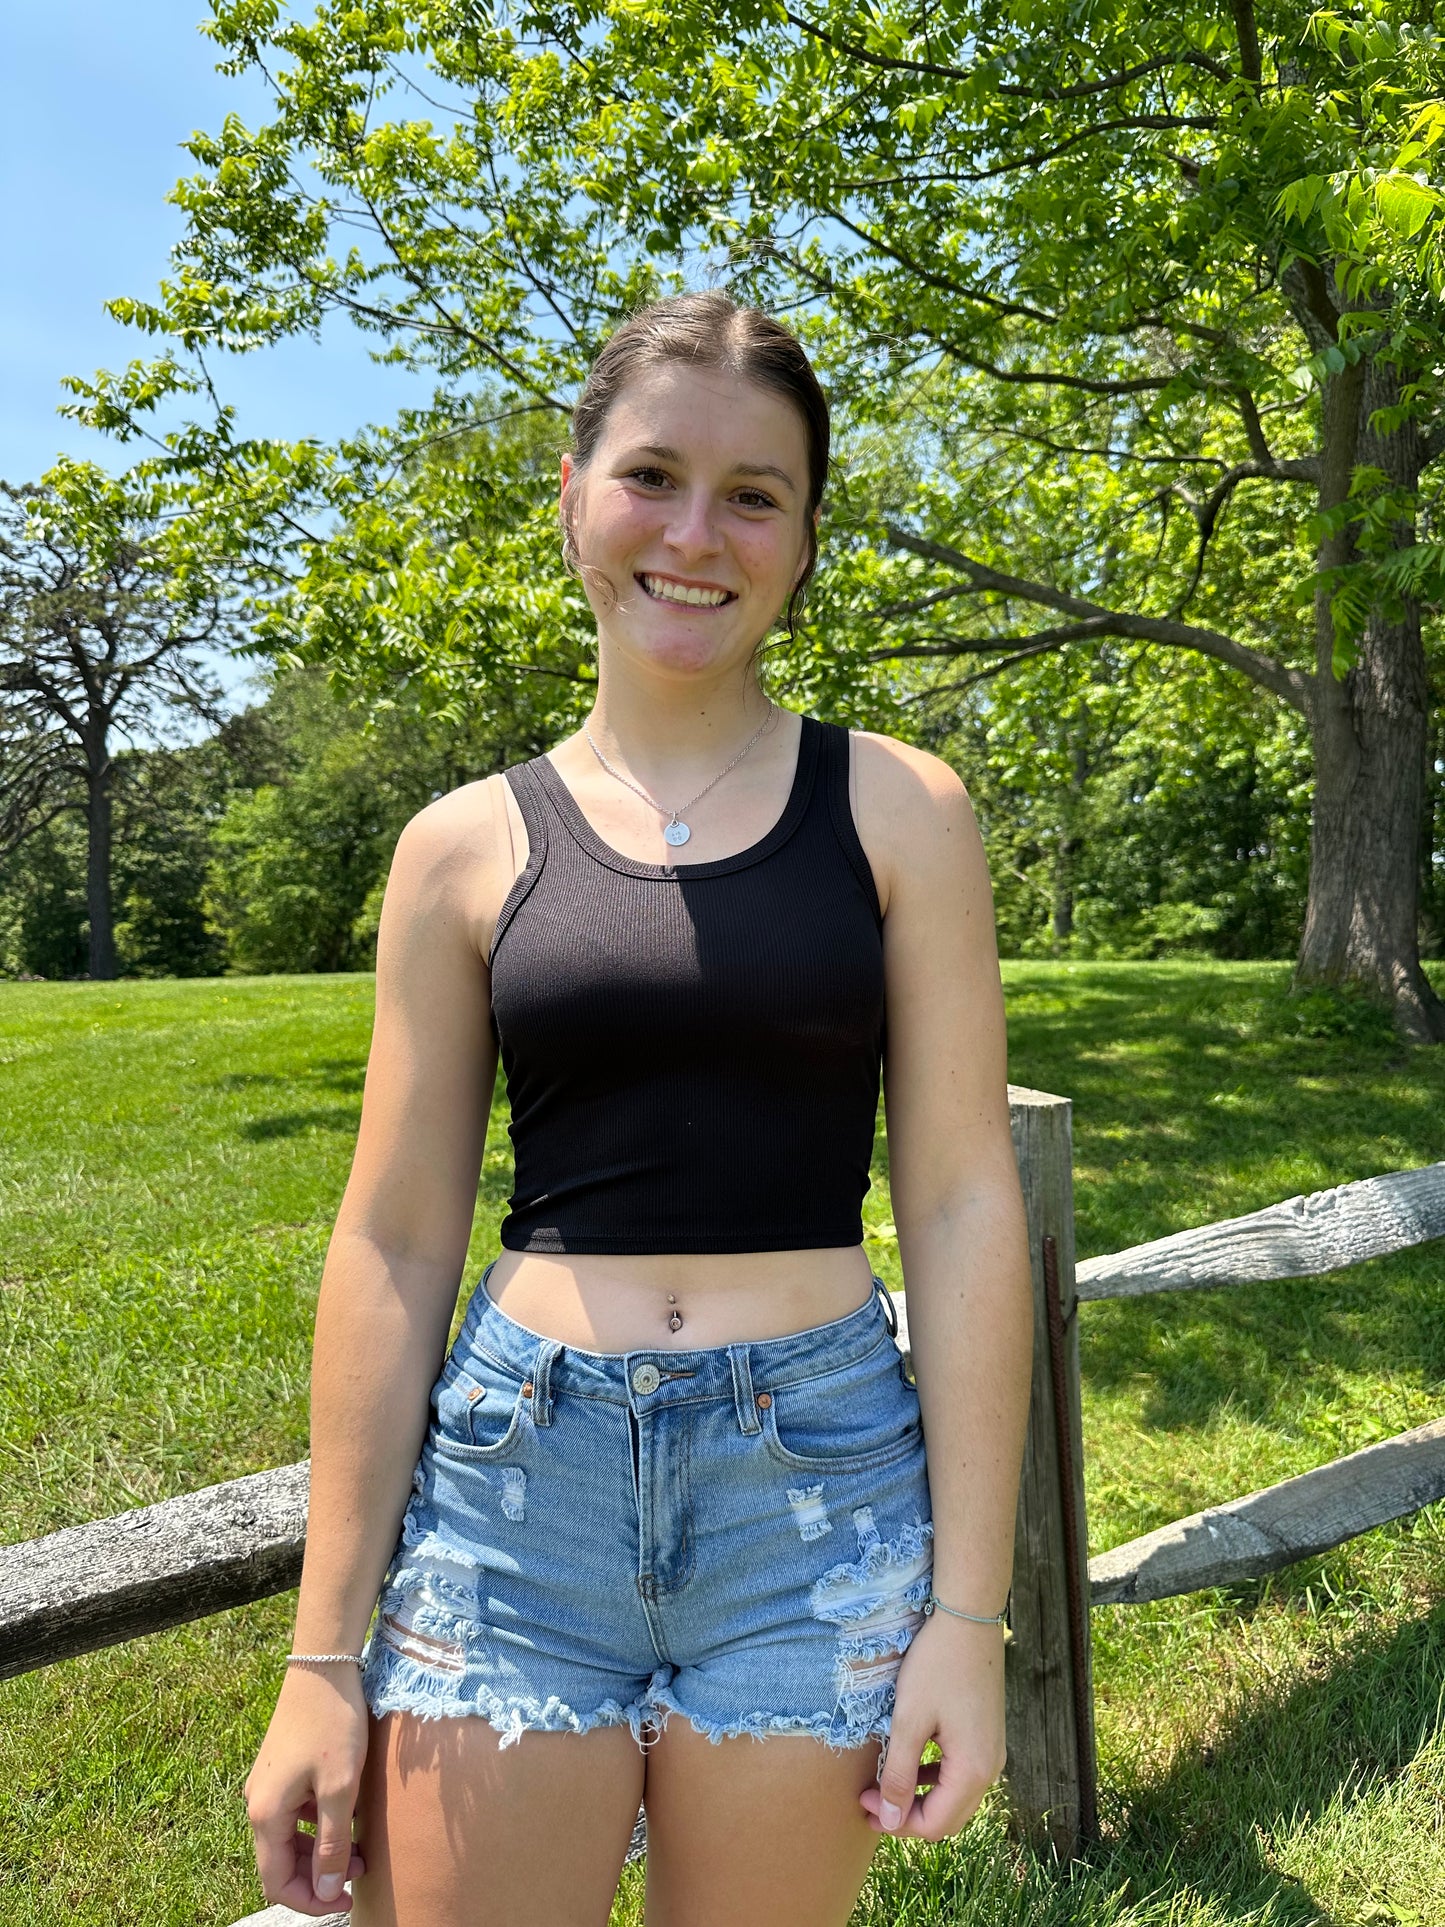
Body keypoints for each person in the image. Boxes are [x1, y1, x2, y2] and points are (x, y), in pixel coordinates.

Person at [243, 290, 1035, 1926]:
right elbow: (393, 1240)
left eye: (754, 495)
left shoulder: (897, 810)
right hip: (519, 1495)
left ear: (806, 538)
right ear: (573, 491)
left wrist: (969, 1612)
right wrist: (323, 1657)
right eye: (652, 476)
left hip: (810, 1497)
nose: (696, 533)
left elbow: (962, 1205)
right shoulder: (459, 847)